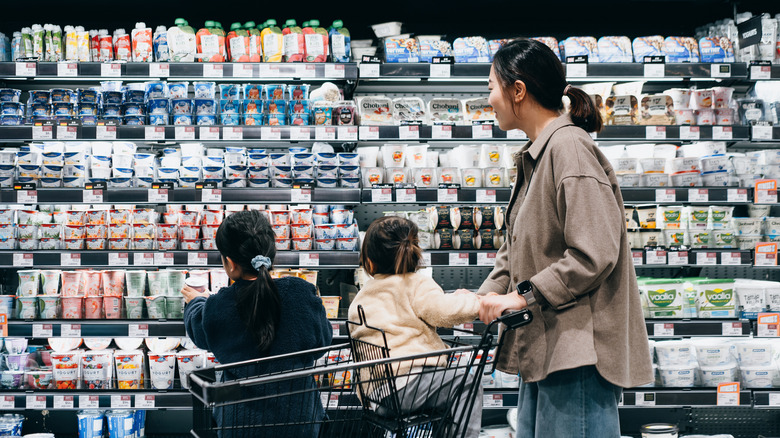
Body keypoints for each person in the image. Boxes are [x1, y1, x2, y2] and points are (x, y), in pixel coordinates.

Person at [474, 38, 653, 438]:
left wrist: (521, 296)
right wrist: (477, 299)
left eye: (491, 87)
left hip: (578, 356)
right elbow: (517, 247)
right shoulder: (539, 153)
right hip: (547, 347)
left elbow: (594, 253)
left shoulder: (569, 149)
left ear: (518, 90)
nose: (488, 99)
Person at [182, 209, 332, 437]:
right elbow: (322, 343)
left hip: (239, 424)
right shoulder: (301, 292)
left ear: (230, 263)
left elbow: (199, 330)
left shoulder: (219, 304)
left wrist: (196, 302)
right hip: (300, 420)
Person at [347, 216, 483, 438]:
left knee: (444, 389)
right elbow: (444, 311)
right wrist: (478, 302)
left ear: (369, 263)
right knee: (466, 382)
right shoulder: (415, 283)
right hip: (407, 385)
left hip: (377, 396)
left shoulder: (362, 296)